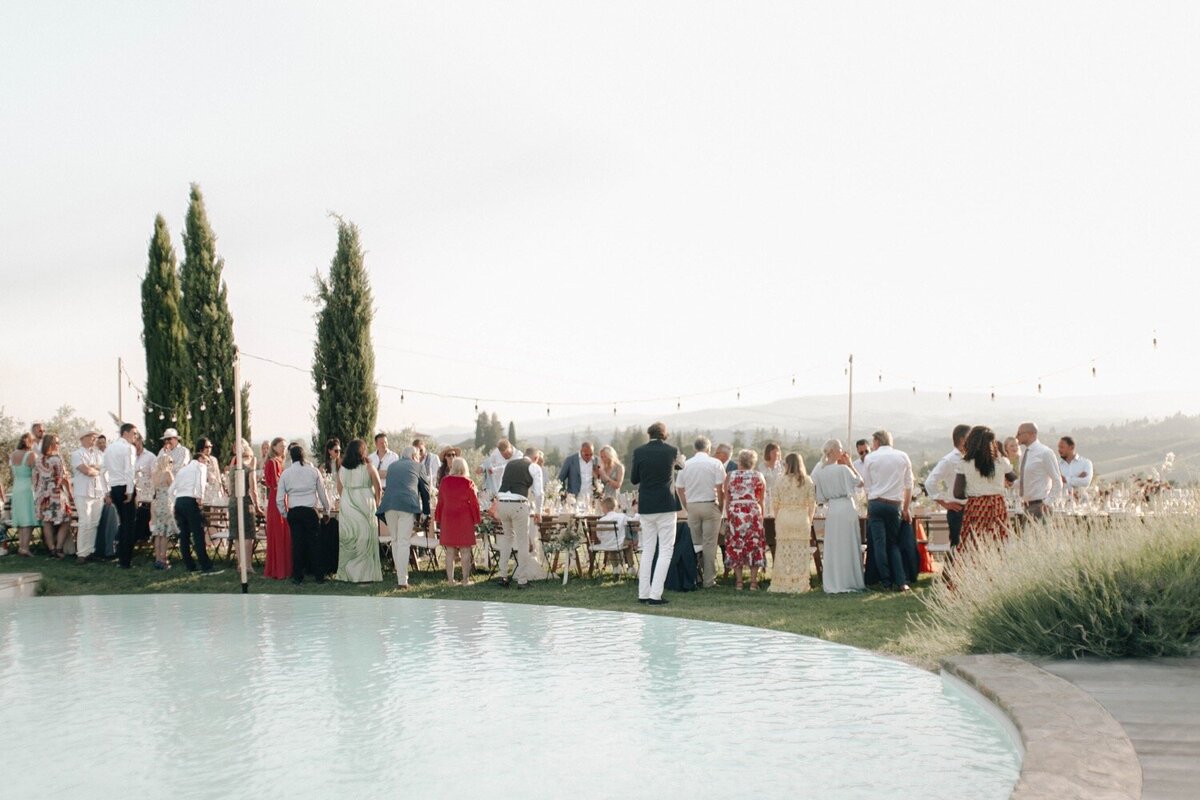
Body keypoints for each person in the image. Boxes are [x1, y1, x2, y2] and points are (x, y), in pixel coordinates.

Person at [631, 422, 680, 605]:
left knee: (648, 549)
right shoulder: (672, 451)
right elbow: (681, 466)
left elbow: (634, 479)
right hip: (666, 504)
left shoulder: (639, 451)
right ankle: (655, 594)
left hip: (646, 505)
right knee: (666, 550)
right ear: (664, 435)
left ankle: (643, 593)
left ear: (649, 433)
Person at [861, 430, 914, 592]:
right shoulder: (902, 456)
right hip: (894, 504)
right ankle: (900, 580)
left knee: (878, 544)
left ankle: (885, 581)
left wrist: (870, 505)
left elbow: (867, 486)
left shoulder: (870, 458)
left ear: (877, 441)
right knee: (893, 544)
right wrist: (906, 508)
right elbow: (909, 485)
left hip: (876, 503)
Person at [813, 439, 866, 593]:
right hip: (846, 508)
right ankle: (850, 580)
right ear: (835, 451)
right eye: (841, 449)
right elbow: (860, 482)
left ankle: (834, 580)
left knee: (835, 546)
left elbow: (820, 497)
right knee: (848, 545)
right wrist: (850, 464)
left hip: (833, 510)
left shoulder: (821, 471)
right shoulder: (843, 469)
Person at [276, 442, 331, 584]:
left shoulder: (286, 473)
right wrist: (327, 509)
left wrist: (284, 513)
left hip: (294, 511)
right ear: (303, 456)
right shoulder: (313, 472)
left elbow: (280, 498)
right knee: (315, 544)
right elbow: (322, 493)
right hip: (310, 510)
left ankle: (297, 576)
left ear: (291, 457)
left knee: (297, 544)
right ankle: (319, 575)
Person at [675, 436, 726, 588]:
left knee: (695, 543)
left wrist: (686, 504)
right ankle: (709, 580)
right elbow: (720, 488)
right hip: (710, 504)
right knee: (710, 545)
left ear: (694, 449)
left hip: (692, 505)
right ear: (708, 449)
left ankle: (696, 576)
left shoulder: (686, 464)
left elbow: (680, 488)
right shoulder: (715, 463)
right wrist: (721, 506)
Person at [377, 446, 430, 589]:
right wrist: (426, 512)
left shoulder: (393, 466)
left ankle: (400, 576)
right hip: (407, 505)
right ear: (414, 456)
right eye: (418, 456)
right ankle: (402, 580)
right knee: (404, 542)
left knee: (395, 541)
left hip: (389, 505)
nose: (419, 458)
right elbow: (425, 491)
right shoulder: (419, 466)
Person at [954, 426, 1017, 543]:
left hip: (976, 507)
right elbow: (1013, 478)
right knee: (998, 543)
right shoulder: (1000, 461)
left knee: (974, 544)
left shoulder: (964, 463)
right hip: (997, 506)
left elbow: (958, 493)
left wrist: (973, 493)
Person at [492, 446, 544, 588]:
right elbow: (539, 493)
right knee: (522, 542)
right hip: (518, 504)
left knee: (507, 540)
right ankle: (522, 580)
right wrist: (538, 512)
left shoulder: (510, 464)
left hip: (502, 503)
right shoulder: (534, 467)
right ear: (536, 458)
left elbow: (502, 482)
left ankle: (502, 577)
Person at [335, 439, 383, 583]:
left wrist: (347, 499)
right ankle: (366, 575)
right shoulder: (369, 467)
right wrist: (376, 502)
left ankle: (348, 574)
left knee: (349, 538)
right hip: (365, 503)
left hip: (348, 503)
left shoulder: (342, 468)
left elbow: (339, 488)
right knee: (365, 538)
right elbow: (379, 487)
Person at [769, 452, 816, 593]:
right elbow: (812, 503)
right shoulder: (807, 480)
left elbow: (775, 503)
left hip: (784, 517)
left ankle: (782, 582)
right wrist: (809, 518)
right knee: (800, 551)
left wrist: (778, 519)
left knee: (783, 551)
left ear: (787, 465)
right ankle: (799, 582)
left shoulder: (779, 480)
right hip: (801, 518)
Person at [172, 439, 221, 574]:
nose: (207, 464)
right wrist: (200, 499)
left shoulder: (183, 470)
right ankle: (206, 566)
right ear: (200, 458)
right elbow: (200, 483)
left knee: (184, 535)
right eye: (206, 461)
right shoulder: (201, 466)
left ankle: (190, 565)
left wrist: (174, 501)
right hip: (190, 501)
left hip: (179, 501)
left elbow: (172, 488)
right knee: (198, 534)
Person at [722, 449, 767, 591]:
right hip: (753, 512)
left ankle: (739, 582)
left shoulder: (730, 475)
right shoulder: (758, 476)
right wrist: (762, 517)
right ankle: (753, 582)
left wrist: (729, 514)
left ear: (739, 461)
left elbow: (727, 498)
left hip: (736, 513)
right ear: (753, 462)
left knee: (736, 545)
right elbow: (762, 499)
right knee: (753, 545)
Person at [923, 424, 972, 549]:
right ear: (962, 439)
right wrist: (944, 502)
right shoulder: (949, 460)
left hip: (974, 509)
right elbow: (930, 482)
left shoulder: (972, 459)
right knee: (958, 547)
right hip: (958, 510)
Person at [435, 456, 480, 585]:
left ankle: (450, 580)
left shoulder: (444, 481)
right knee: (465, 550)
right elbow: (474, 504)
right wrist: (476, 519)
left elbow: (441, 501)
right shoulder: (468, 482)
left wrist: (438, 517)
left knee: (450, 551)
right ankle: (465, 580)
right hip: (464, 518)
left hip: (448, 518)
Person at [104, 422, 139, 569]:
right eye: (134, 434)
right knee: (128, 525)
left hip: (114, 487)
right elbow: (129, 470)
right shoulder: (128, 448)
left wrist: (107, 490)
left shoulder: (109, 448)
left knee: (123, 523)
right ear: (126, 433)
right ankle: (126, 560)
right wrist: (130, 491)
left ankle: (121, 557)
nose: (135, 437)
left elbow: (102, 471)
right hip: (125, 487)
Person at [70, 429, 107, 563]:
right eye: (91, 437)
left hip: (97, 492)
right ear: (83, 438)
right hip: (83, 492)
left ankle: (90, 550)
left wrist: (95, 468)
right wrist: (96, 469)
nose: (93, 439)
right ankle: (81, 553)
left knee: (94, 522)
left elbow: (104, 469)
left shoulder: (98, 454)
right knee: (85, 522)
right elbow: (86, 471)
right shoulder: (77, 454)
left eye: (94, 437)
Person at [1014, 422, 1063, 521]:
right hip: (1026, 507)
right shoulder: (1024, 455)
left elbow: (1057, 481)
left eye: (1019, 433)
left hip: (1039, 506)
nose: (1016, 436)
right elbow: (1027, 481)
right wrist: (1011, 483)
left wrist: (1047, 503)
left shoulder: (1045, 453)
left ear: (1030, 434)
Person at [226, 439, 262, 574]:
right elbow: (253, 489)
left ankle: (240, 564)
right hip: (246, 502)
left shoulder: (232, 467)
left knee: (236, 534)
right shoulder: (249, 467)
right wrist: (257, 506)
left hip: (233, 502)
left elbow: (229, 487)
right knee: (248, 534)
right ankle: (248, 565)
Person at [35, 434, 73, 558]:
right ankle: (58, 548)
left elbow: (35, 478)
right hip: (55, 492)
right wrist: (70, 493)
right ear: (51, 444)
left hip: (42, 493)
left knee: (47, 521)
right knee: (66, 519)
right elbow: (63, 478)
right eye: (57, 443)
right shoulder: (57, 458)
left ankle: (51, 549)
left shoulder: (38, 459)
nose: (58, 445)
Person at [262, 437, 292, 579]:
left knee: (282, 532)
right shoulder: (273, 463)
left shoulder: (278, 462)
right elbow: (276, 482)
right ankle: (279, 569)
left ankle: (281, 568)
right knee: (279, 532)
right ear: (274, 447)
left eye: (284, 446)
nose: (283, 449)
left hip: (279, 496)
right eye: (281, 446)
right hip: (277, 498)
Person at [8, 433, 38, 556]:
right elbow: (36, 472)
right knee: (28, 518)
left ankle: (22, 547)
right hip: (27, 487)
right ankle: (25, 548)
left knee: (21, 519)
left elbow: (12, 473)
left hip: (16, 487)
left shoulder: (13, 455)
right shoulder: (31, 455)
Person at [148, 454, 178, 570]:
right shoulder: (167, 474)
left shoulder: (155, 474)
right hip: (165, 503)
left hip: (156, 503)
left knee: (158, 532)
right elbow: (175, 487)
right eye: (170, 462)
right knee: (164, 532)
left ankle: (157, 559)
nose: (172, 464)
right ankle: (163, 558)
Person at [1058, 436, 1093, 502]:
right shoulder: (1057, 465)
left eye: (1062, 447)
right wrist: (1077, 478)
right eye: (1059, 447)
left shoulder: (1086, 463)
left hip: (1082, 504)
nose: (1059, 450)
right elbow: (1054, 483)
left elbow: (1086, 482)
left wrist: (1065, 479)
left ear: (1072, 447)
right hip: (1062, 504)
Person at [759, 442, 784, 520]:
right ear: (768, 453)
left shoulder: (782, 466)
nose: (776, 454)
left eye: (778, 451)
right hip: (766, 497)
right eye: (773, 452)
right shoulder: (761, 467)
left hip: (779, 497)